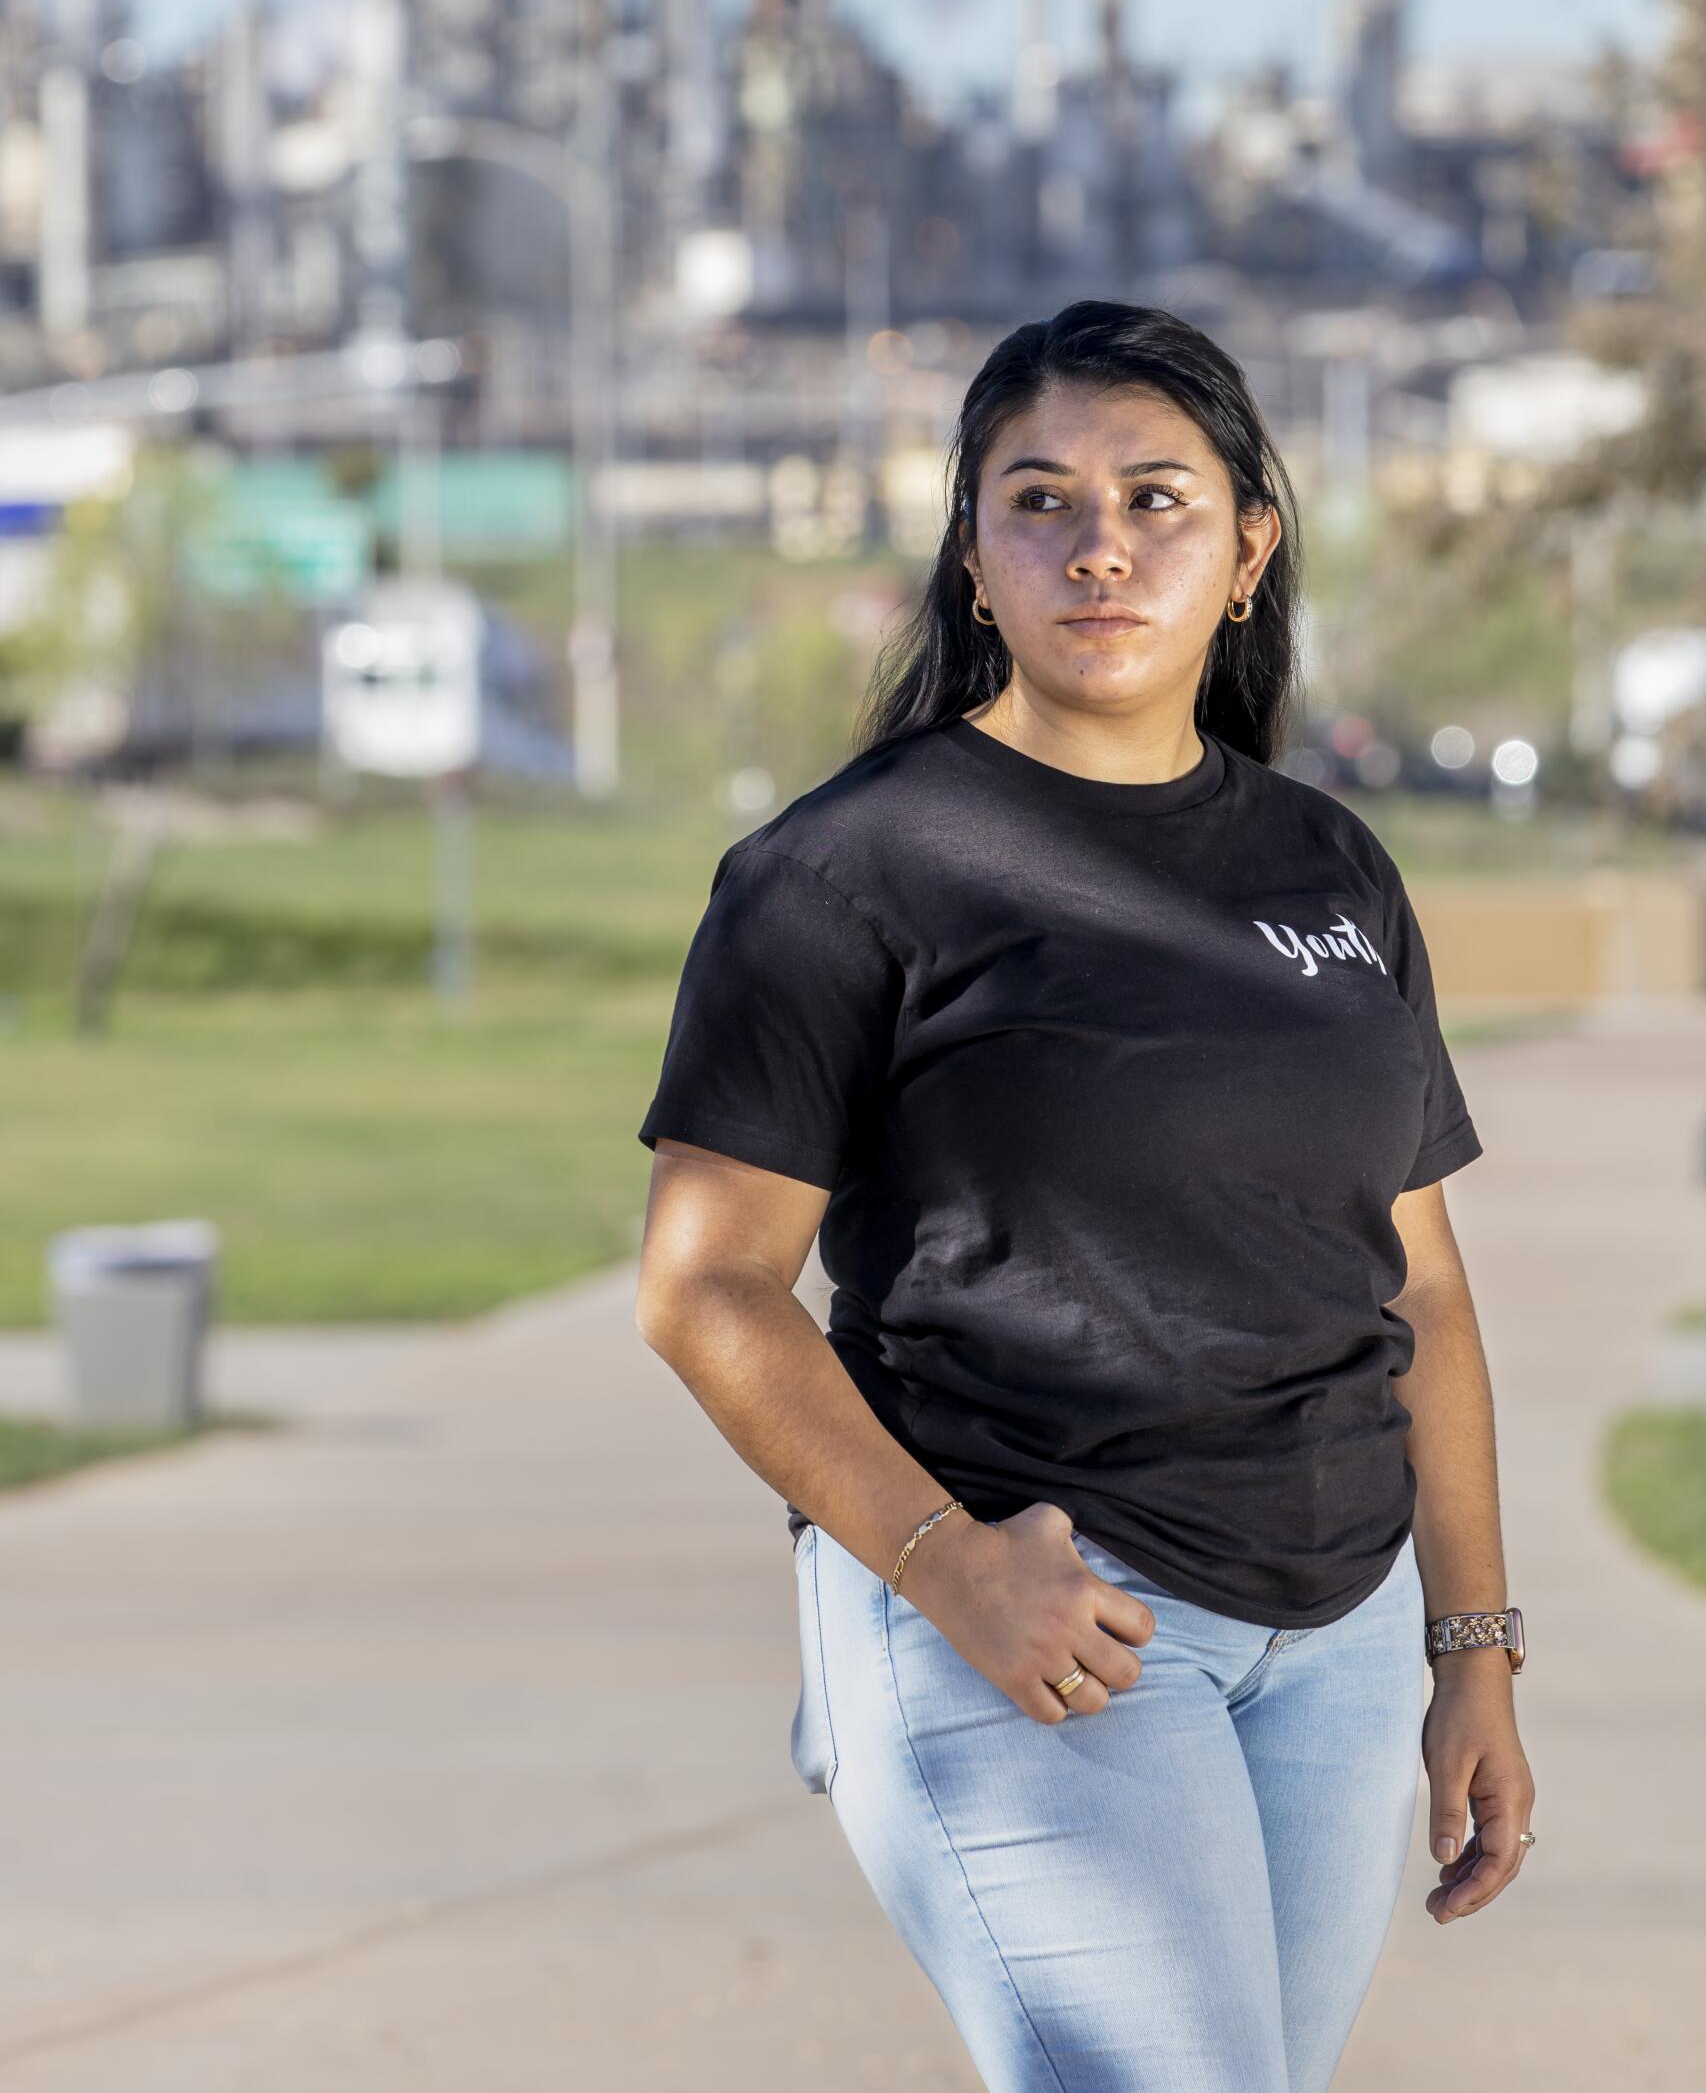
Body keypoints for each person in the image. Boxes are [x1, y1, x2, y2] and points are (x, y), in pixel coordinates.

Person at [633, 299, 1535, 2093]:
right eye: (1038, 500)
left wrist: (1472, 1650)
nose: (1098, 545)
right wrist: (947, 1569)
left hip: (1335, 1638)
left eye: (1156, 498)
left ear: (1248, 549)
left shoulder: (1328, 862)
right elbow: (706, 1287)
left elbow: (1416, 1287)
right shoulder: (846, 869)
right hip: (1042, 1616)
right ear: (974, 553)